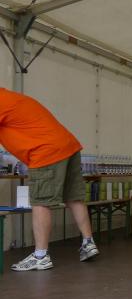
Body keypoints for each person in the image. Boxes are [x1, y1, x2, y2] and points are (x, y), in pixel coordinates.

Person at [0, 88, 99, 271]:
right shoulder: (9, 98)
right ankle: (88, 243)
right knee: (73, 197)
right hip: (67, 146)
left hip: (45, 151)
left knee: (40, 200)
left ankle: (41, 256)